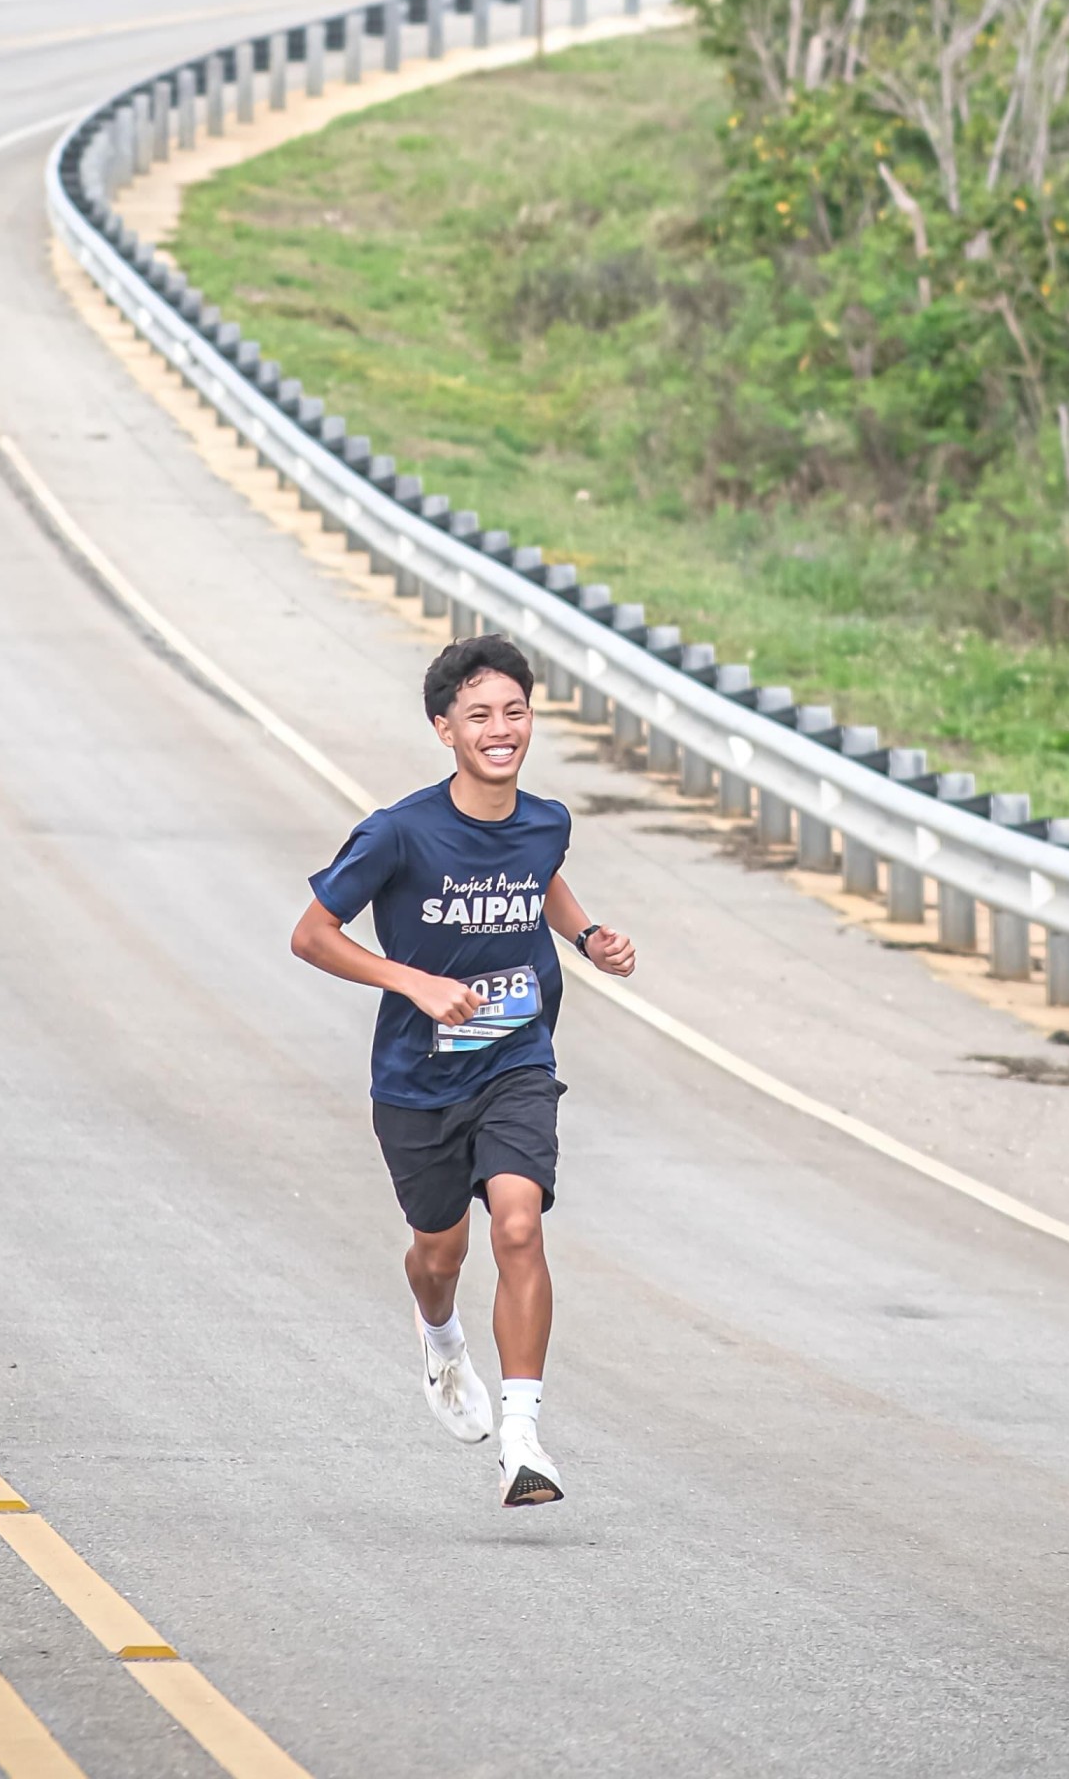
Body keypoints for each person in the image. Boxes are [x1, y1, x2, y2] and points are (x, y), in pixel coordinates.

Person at [291, 631, 636, 1508]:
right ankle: (440, 1341)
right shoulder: (399, 832)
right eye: (478, 714)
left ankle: (523, 1440)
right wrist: (413, 980)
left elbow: (540, 873)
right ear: (444, 728)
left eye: (514, 712)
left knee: (518, 1225)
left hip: (516, 1057)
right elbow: (312, 934)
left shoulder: (547, 818)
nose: (500, 729)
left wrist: (586, 935)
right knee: (438, 1253)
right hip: (416, 1080)